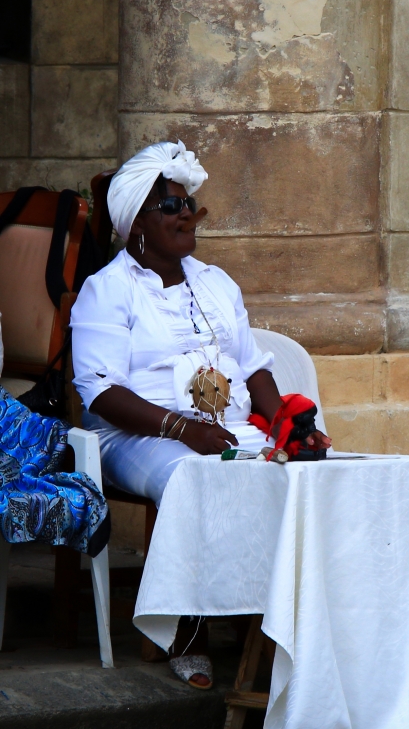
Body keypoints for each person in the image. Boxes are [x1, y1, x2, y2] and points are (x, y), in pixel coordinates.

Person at [70, 141, 330, 688]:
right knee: (192, 476)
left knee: (294, 467)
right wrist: (182, 430)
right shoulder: (106, 291)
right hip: (135, 436)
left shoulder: (216, 282)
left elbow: (253, 367)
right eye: (170, 206)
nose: (186, 213)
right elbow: (98, 391)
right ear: (135, 221)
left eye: (188, 205)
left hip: (221, 427)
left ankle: (269, 622)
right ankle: (189, 634)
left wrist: (287, 423)